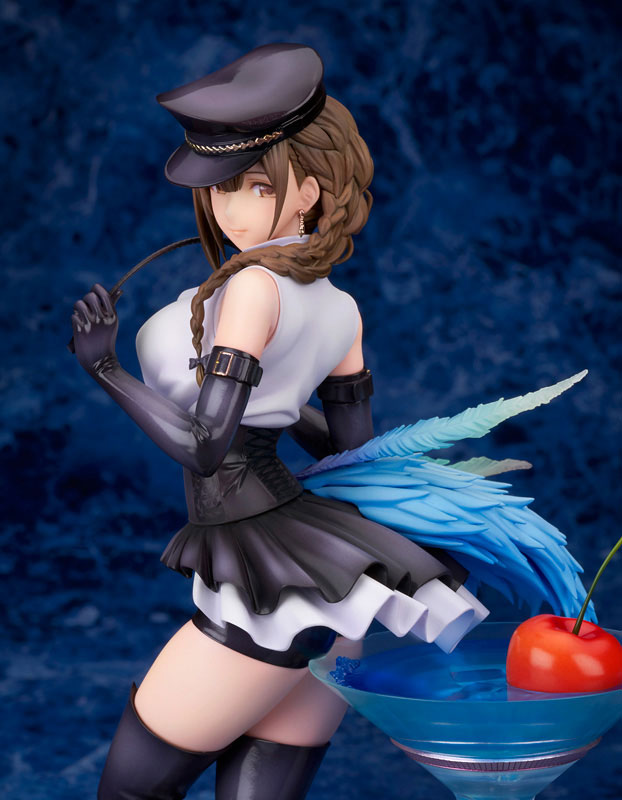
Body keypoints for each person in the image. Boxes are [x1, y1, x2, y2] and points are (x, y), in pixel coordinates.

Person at [71, 43, 486, 800]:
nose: (229, 209)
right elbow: (355, 456)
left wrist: (106, 370)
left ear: (311, 191)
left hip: (262, 587)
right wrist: (284, 409)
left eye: (255, 185)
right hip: (331, 589)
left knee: (129, 790)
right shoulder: (340, 306)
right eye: (220, 188)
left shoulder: (254, 289)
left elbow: (205, 449)